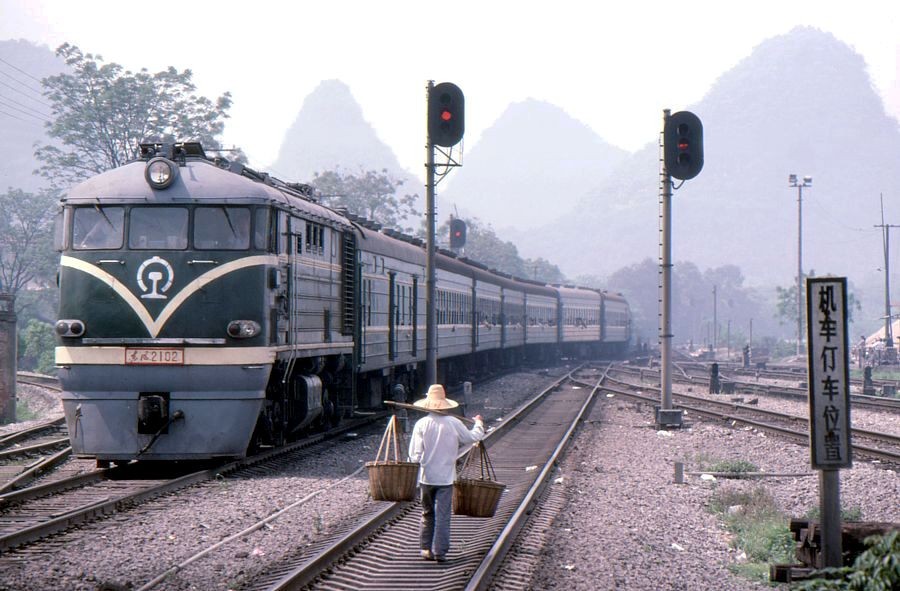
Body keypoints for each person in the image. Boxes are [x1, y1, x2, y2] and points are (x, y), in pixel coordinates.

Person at [408, 384, 484, 563]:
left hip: (426, 478)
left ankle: (425, 549)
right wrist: (479, 423)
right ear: (444, 403)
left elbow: (414, 456)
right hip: (446, 479)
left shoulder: (421, 424)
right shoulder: (454, 423)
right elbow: (473, 438)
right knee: (443, 515)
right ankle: (440, 551)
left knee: (427, 513)